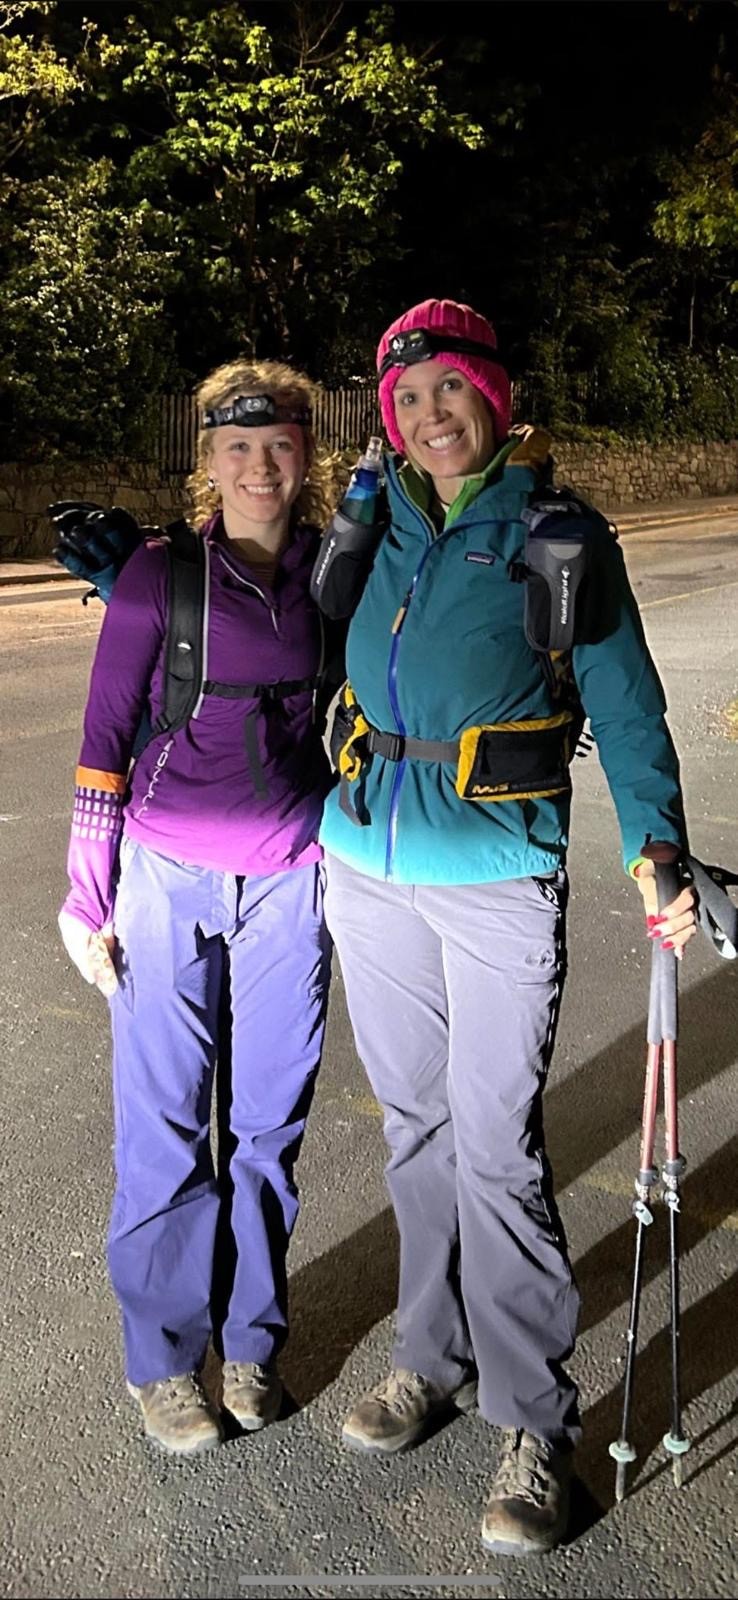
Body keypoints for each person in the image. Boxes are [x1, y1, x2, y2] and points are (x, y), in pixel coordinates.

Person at [316, 298, 697, 1555]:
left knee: (494, 1151)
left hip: (492, 875)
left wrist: (655, 845)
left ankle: (536, 1417)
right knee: (415, 1134)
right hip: (367, 869)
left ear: (494, 394)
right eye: (407, 400)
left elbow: (627, 701)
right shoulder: (372, 525)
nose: (430, 417)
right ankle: (432, 1357)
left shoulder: (553, 533)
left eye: (448, 392)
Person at [57, 358, 339, 1455]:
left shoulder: (332, 573)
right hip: (166, 878)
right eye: (237, 447)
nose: (260, 465)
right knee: (166, 1123)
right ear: (206, 462)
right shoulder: (160, 577)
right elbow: (100, 745)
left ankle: (255, 1337)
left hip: (290, 879)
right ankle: (169, 1362)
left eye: (278, 445)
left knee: (270, 1123)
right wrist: (88, 901)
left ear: (306, 454)